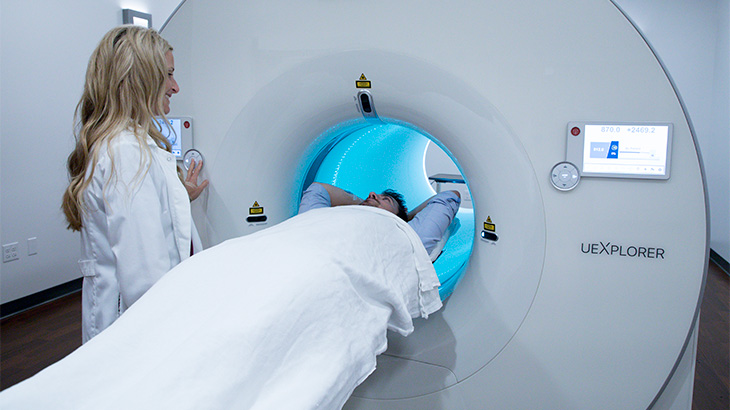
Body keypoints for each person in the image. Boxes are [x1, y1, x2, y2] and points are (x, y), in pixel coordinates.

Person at [61, 25, 208, 343]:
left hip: (133, 322)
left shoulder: (125, 146)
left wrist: (179, 197)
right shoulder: (127, 152)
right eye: (168, 74)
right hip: (142, 331)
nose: (175, 86)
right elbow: (146, 281)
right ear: (141, 78)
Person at [299, 182, 461, 255]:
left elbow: (450, 195)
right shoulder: (317, 221)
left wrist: (408, 216)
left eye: (386, 199)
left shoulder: (408, 239)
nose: (372, 193)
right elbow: (318, 189)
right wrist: (364, 203)